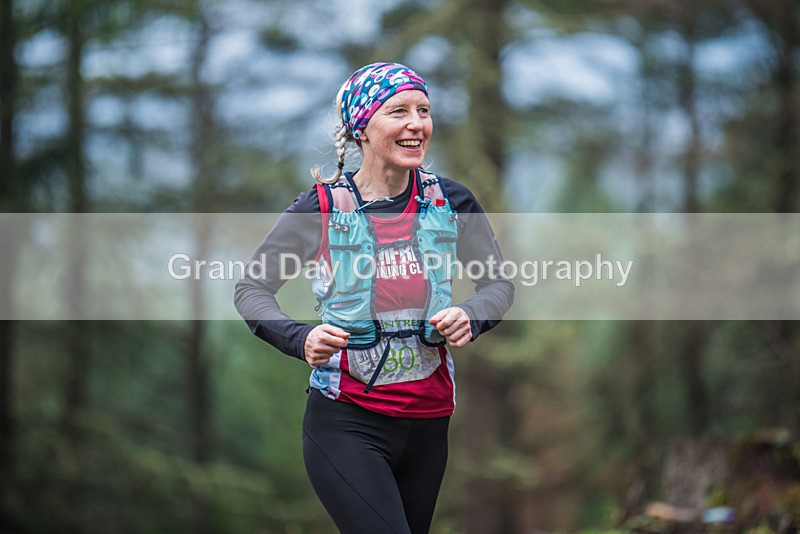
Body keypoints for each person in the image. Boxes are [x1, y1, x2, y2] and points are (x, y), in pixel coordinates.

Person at [234, 62, 514, 534]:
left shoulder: (450, 201)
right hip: (347, 423)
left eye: (423, 111)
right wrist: (299, 338)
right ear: (362, 128)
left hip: (430, 421)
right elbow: (252, 289)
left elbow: (499, 287)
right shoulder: (321, 207)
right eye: (398, 111)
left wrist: (472, 313)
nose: (416, 123)